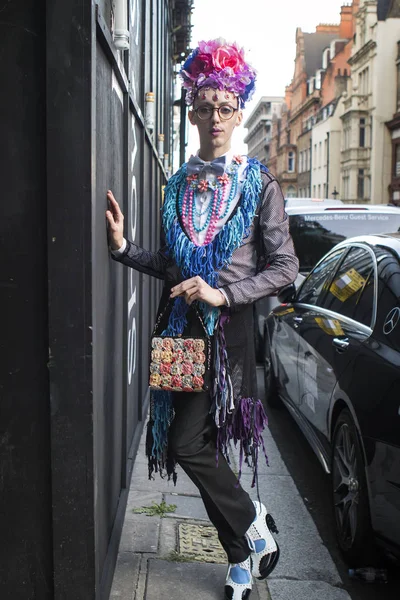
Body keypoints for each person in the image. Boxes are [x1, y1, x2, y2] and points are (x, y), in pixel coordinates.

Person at [106, 38, 299, 600]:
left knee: (193, 446)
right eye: (204, 106)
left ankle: (251, 523)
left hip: (227, 339)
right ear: (191, 111)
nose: (214, 117)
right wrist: (123, 248)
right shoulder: (178, 185)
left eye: (224, 107)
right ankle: (244, 549)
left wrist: (224, 293)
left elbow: (286, 267)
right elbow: (170, 266)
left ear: (239, 113)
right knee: (193, 448)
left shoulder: (258, 184)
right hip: (180, 334)